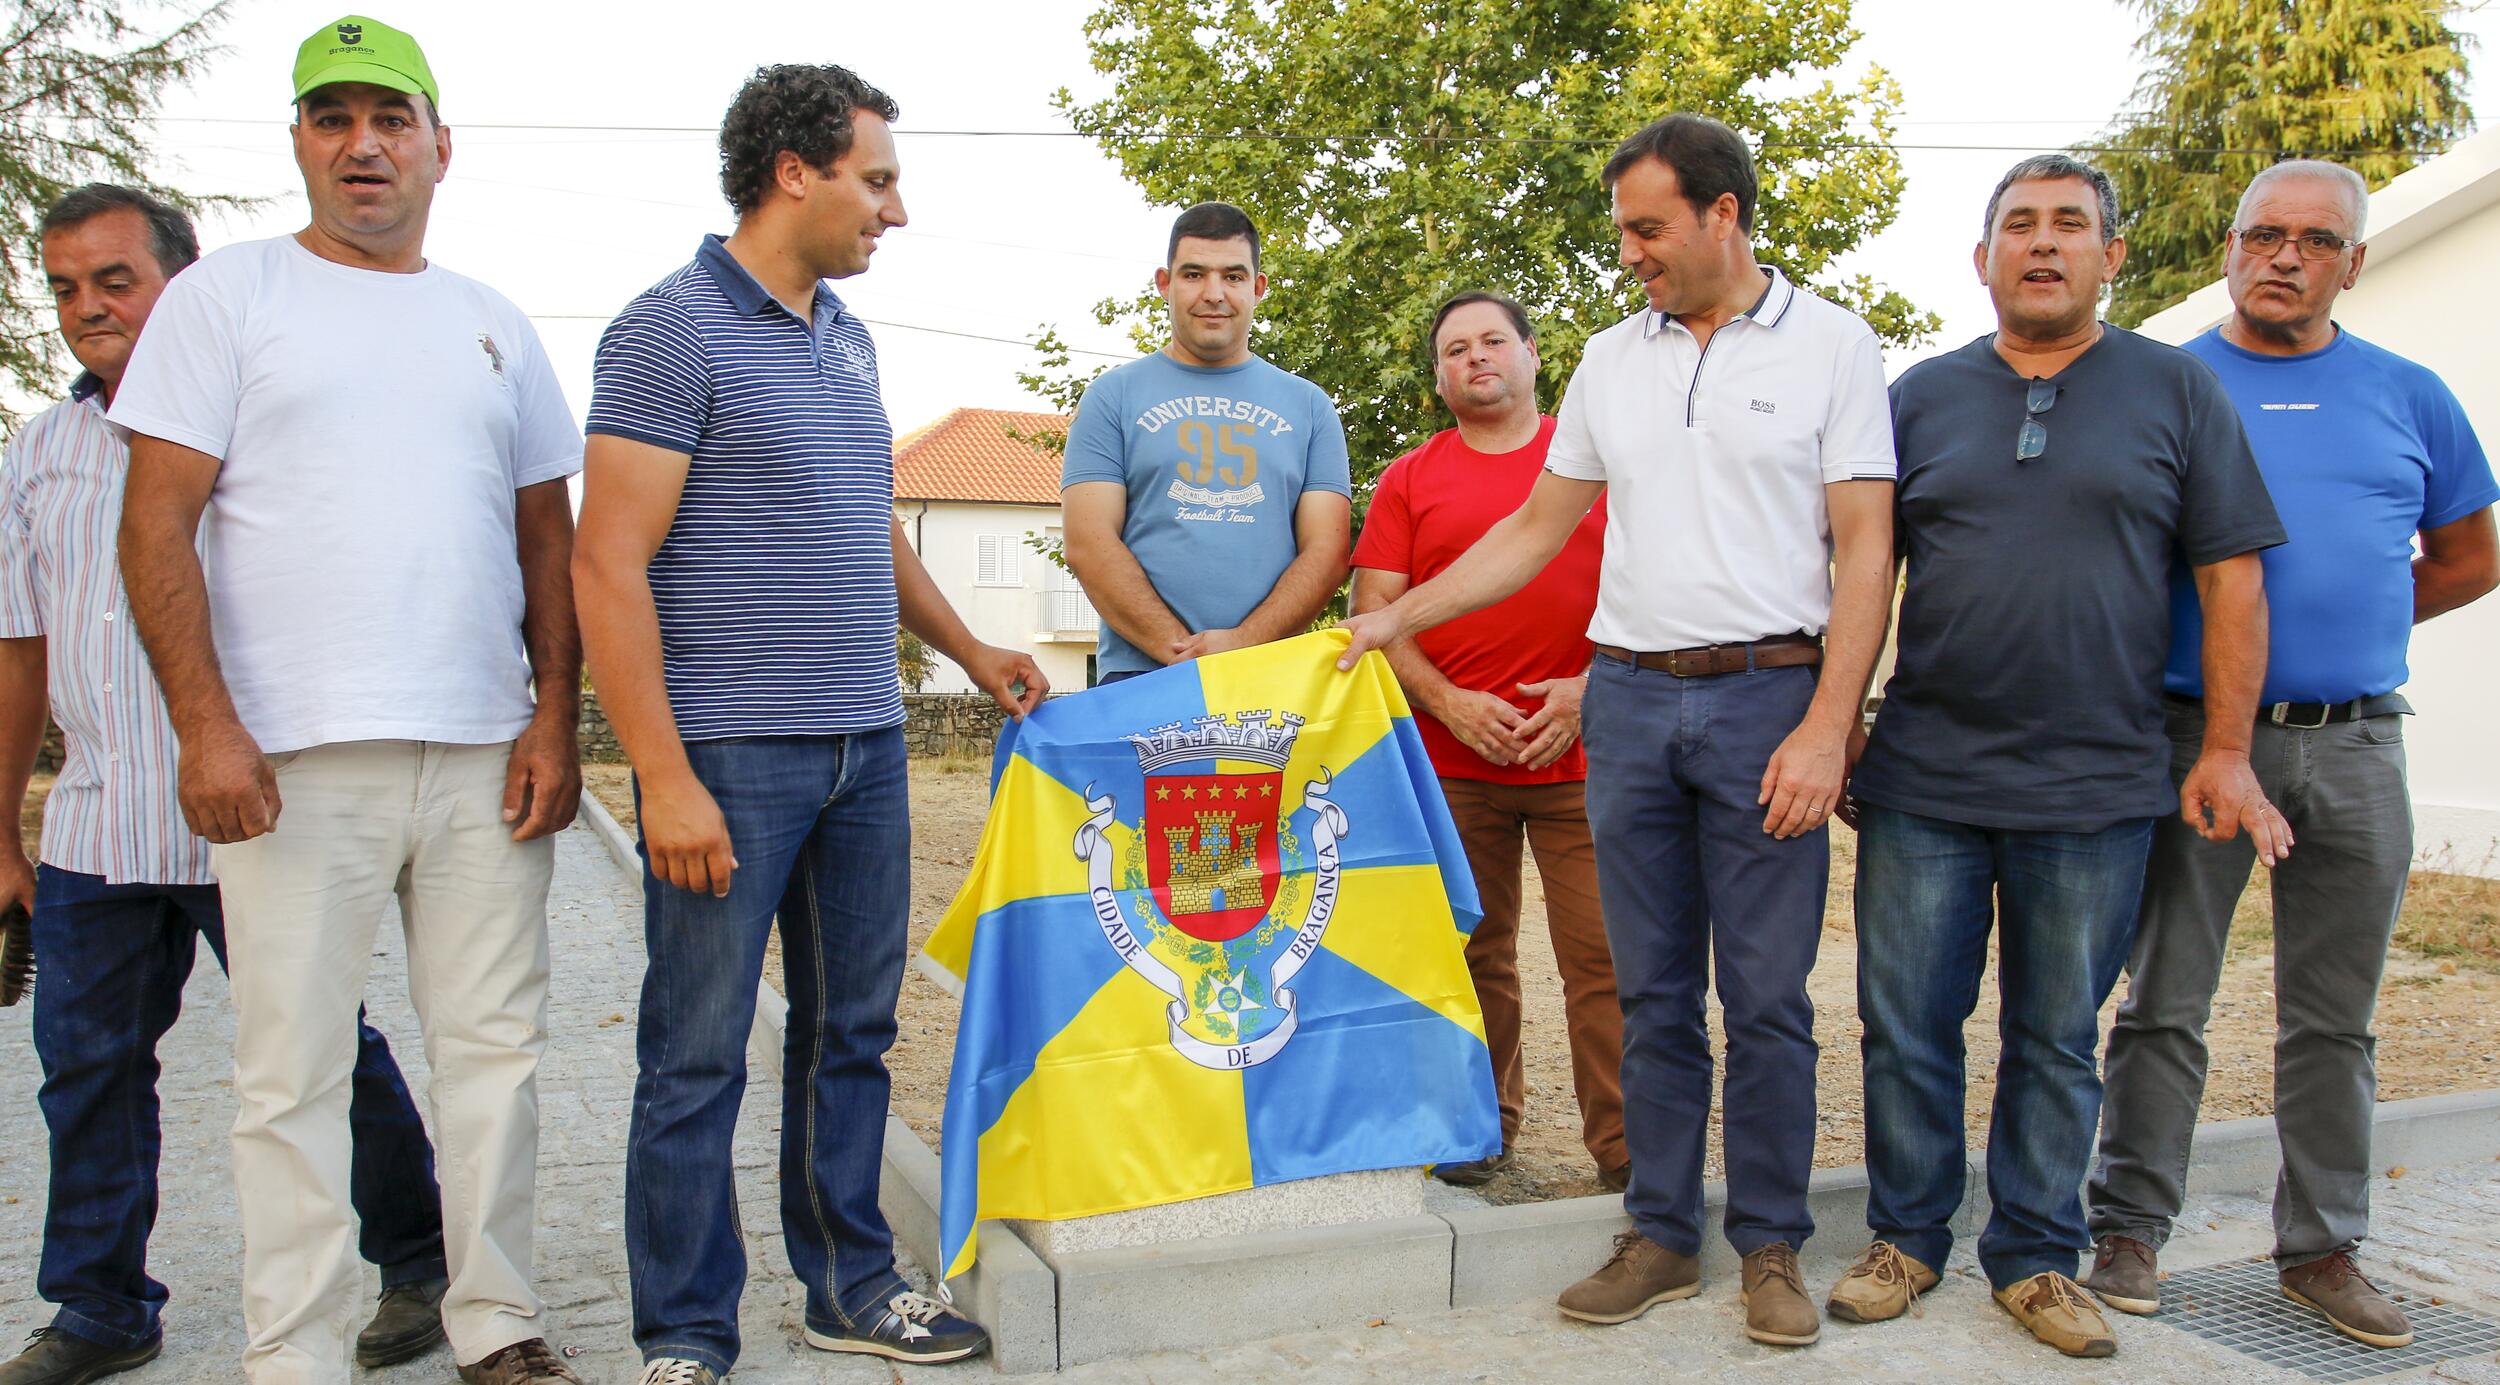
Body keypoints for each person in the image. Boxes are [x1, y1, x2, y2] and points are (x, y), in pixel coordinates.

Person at [1340, 113, 1898, 1349]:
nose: (1631, 253)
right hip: (1632, 703)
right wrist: (1400, 620)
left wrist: (1826, 725)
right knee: (1648, 989)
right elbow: (1536, 530)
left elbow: (1867, 546)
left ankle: (1767, 1247)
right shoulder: (1608, 358)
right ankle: (1655, 1230)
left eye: (1649, 228)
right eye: (1622, 232)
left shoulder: (1832, 347)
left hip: (1767, 696)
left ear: (1724, 213)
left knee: (1763, 998)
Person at [110, 17, 588, 1383]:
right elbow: (156, 528)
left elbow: (544, 538)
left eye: (391, 118)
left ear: (442, 146)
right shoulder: (230, 298)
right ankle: (298, 1352)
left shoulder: (493, 320)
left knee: (495, 1055)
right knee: (290, 1073)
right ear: (301, 145)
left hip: (485, 748)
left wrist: (555, 719)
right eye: (332, 119)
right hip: (293, 756)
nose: (362, 144)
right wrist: (206, 724)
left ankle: (495, 1323)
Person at [574, 64, 1039, 1385]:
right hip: (729, 756)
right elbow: (607, 563)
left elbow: (866, 523)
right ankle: (682, 1333)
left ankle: (849, 1284)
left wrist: (970, 644)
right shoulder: (665, 333)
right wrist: (660, 777)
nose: (895, 209)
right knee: (696, 1052)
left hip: (867, 747)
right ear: (796, 171)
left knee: (852, 1034)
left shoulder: (846, 336)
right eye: (878, 179)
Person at [1829, 154, 2290, 1360]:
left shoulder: (2176, 390)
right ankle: (1905, 1239)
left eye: (2069, 226)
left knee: (2052, 1032)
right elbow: (1860, 570)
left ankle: (2035, 1255)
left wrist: (2229, 748)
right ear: (1980, 257)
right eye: (2017, 225)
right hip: (1924, 775)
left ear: (2111, 257)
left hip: (2094, 782)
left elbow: (2231, 578)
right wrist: (1838, 720)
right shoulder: (1915, 397)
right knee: (1906, 1023)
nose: (2042, 244)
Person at [0, 184, 451, 1385]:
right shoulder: (38, 452)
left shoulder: (260, 426)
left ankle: (417, 1259)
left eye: (114, 280)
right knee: (85, 1068)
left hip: (250, 813)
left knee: (316, 1053)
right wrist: (3, 833)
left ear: (181, 286)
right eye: (63, 287)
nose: (85, 307)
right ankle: (99, 1305)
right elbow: (19, 649)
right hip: (99, 822)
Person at [2085, 160, 2500, 1347]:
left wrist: (2358, 632)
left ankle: (2320, 1244)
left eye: (2314, 240)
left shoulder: (2409, 394)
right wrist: (2233, 676)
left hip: (2357, 742)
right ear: (2227, 244)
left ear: (2351, 263)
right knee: (2164, 996)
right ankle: (2128, 1227)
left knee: (2335, 1016)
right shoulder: (2163, 383)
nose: (2283, 256)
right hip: (2188, 738)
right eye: (2262, 234)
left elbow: (2467, 557)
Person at [1348, 290, 1626, 1192]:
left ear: (1535, 355)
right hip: (1449, 764)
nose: (1476, 357)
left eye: (1493, 340)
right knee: (1471, 950)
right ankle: (1476, 1125)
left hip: (1585, 755)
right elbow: (1374, 614)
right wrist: (1447, 699)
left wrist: (1588, 692)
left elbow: (1658, 588)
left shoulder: (1597, 464)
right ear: (1438, 378)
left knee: (1605, 957)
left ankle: (1626, 1149)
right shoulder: (1409, 479)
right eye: (1455, 348)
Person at [1060, 202, 1351, 681]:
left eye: (1233, 277)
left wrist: (1242, 646)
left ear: (1257, 288)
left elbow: (1327, 551)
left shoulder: (1310, 406)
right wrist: (1180, 654)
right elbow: (1088, 544)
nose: (1214, 294)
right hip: (1139, 677)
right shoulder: (1111, 397)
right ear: (1164, 283)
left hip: (1270, 675)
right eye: (1194, 274)